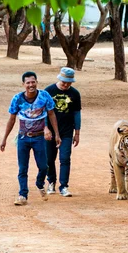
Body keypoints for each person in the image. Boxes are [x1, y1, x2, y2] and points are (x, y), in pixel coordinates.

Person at [0, 72, 61, 206]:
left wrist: (56, 134)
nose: (31, 85)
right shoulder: (17, 99)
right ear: (23, 85)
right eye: (28, 83)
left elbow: (51, 115)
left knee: (44, 167)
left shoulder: (44, 96)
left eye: (33, 82)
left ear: (36, 82)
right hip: (23, 137)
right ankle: (22, 195)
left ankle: (40, 183)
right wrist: (4, 138)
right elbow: (11, 119)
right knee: (23, 168)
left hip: (39, 137)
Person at [44, 67, 82, 197]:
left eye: (69, 82)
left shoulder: (75, 94)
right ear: (59, 79)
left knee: (65, 158)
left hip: (66, 131)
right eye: (64, 82)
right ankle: (51, 182)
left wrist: (77, 133)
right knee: (49, 158)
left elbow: (77, 114)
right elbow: (43, 113)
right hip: (50, 131)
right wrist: (45, 128)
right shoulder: (48, 91)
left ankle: (64, 186)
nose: (66, 85)